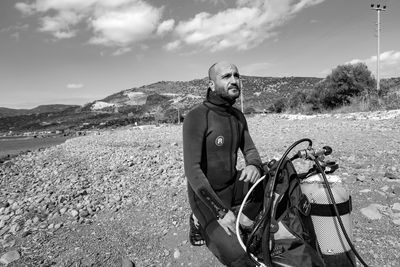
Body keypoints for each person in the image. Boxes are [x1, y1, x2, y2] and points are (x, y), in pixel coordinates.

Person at [183, 61, 264, 267]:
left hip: (232, 186)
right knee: (239, 257)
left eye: (236, 75)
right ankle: (197, 221)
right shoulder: (197, 116)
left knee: (274, 174)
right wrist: (220, 212)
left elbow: (250, 150)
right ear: (211, 85)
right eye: (226, 76)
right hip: (205, 198)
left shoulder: (237, 116)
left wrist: (253, 165)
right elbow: (192, 170)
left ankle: (244, 219)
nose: (234, 80)